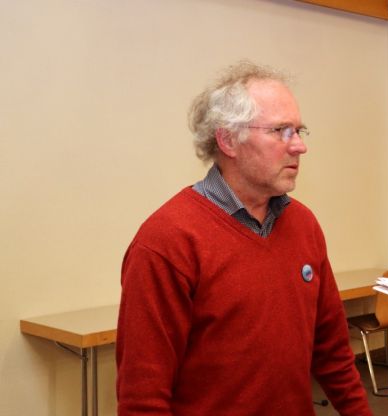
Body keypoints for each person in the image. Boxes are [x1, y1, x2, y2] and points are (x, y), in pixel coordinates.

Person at [116, 61, 372, 415]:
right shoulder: (167, 241)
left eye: (299, 130)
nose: (299, 146)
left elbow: (332, 353)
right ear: (228, 140)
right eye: (281, 130)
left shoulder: (303, 224)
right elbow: (142, 397)